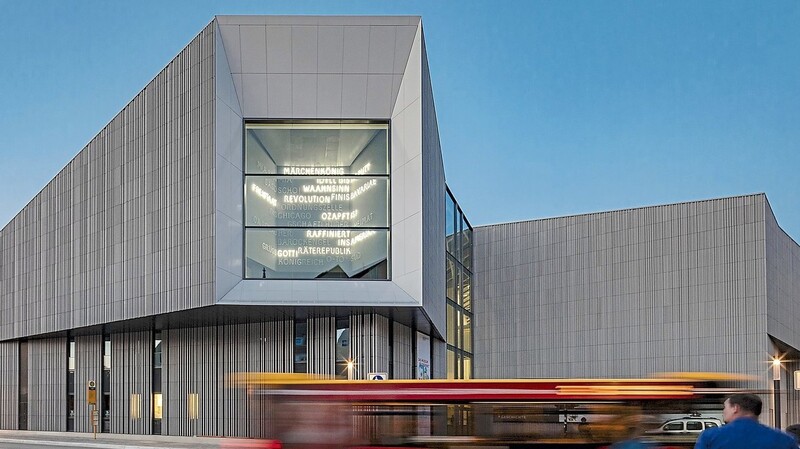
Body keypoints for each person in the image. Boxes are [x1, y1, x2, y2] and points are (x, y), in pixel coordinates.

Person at [694, 393, 796, 449]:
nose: (723, 411)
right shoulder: (785, 439)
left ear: (735, 408)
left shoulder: (710, 436)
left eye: (725, 407)